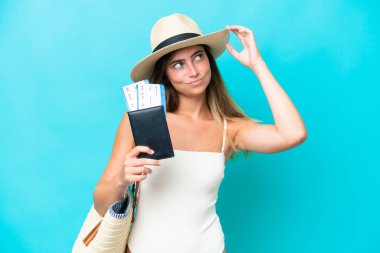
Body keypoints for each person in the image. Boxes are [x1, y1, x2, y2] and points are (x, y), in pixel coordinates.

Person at [93, 13, 307, 253]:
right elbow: (102, 204)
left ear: (209, 61)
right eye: (178, 64)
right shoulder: (143, 121)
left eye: (198, 57)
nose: (193, 71)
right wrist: (121, 180)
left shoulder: (229, 129)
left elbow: (293, 134)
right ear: (166, 74)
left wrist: (258, 65)